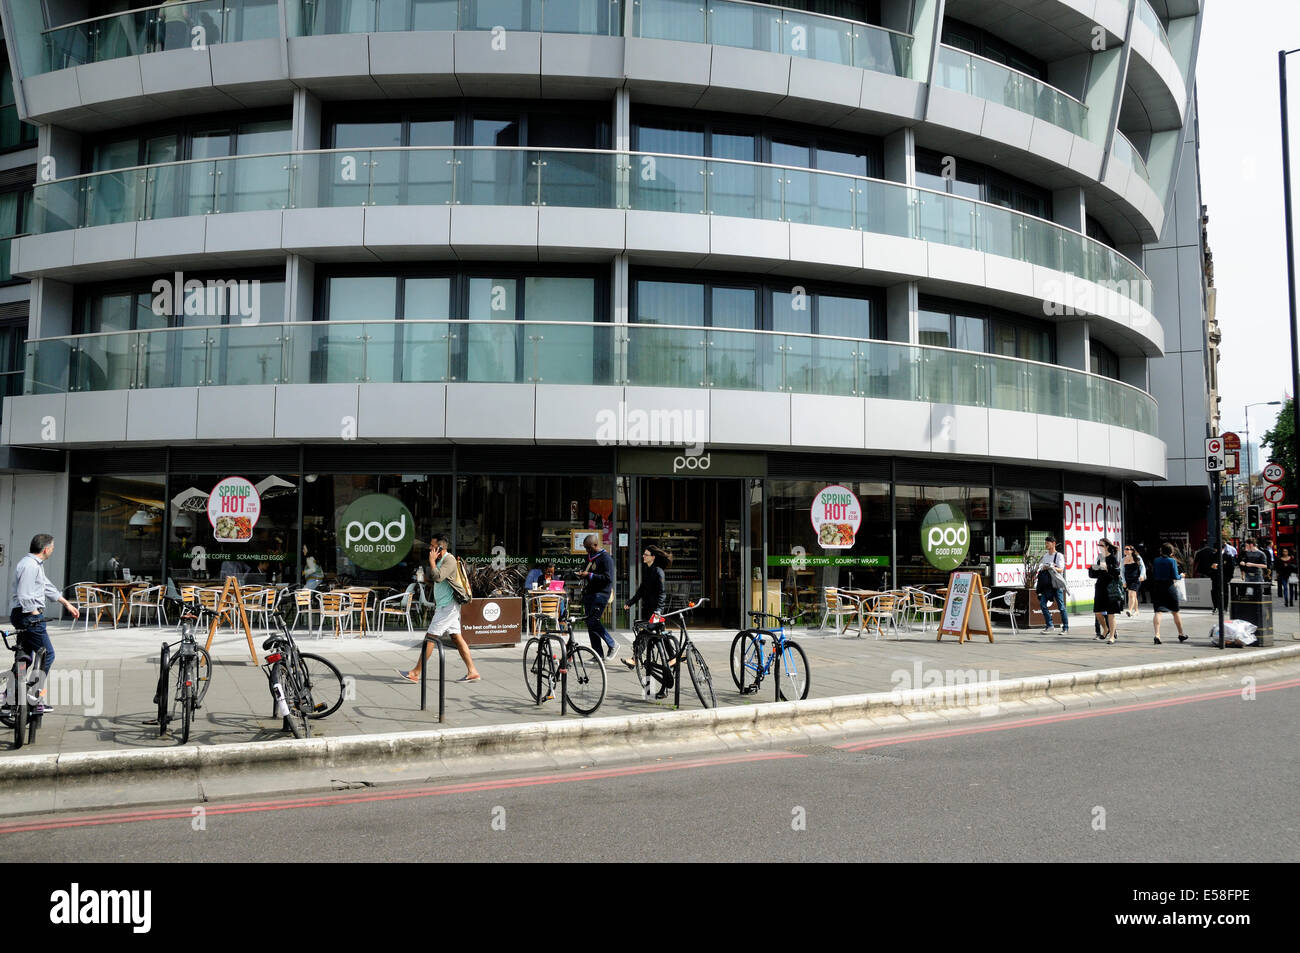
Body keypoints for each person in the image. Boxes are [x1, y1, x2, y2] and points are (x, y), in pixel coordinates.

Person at [9, 534, 81, 712]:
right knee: (47, 654)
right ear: (46, 549)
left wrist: (66, 603)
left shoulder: (34, 565)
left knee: (25, 656)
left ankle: (10, 694)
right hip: (29, 616)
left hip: (26, 615)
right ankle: (33, 695)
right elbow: (25, 594)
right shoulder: (29, 565)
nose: (53, 550)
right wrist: (35, 614)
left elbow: (47, 587)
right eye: (53, 548)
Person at [398, 533, 479, 683]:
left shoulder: (449, 560)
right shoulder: (441, 560)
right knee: (456, 636)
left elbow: (439, 577)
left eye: (432, 546)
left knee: (430, 637)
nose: (430, 548)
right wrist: (425, 580)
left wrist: (431, 561)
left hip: (448, 607)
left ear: (440, 548)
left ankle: (416, 672)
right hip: (445, 605)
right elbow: (438, 582)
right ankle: (472, 671)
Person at [621, 546, 670, 673]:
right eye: (644, 554)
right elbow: (642, 590)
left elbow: (662, 593)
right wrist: (631, 602)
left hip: (657, 610)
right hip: (649, 609)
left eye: (646, 554)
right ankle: (675, 657)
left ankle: (634, 659)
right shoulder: (648, 570)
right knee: (659, 635)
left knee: (645, 633)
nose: (643, 556)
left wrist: (658, 610)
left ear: (652, 557)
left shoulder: (659, 572)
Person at [575, 536, 616, 659]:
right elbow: (588, 573)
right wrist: (583, 575)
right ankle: (597, 654)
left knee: (593, 620)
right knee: (590, 623)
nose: (587, 551)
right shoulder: (588, 557)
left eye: (588, 548)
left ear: (594, 545)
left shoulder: (606, 558)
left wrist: (590, 575)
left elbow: (608, 578)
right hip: (590, 593)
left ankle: (612, 644)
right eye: (585, 548)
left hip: (601, 594)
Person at [1148, 542, 1187, 644]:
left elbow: (1154, 574)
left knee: (1158, 611)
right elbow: (1175, 576)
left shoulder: (1156, 560)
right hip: (1169, 587)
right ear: (1171, 552)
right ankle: (1181, 634)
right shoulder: (1172, 561)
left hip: (1157, 587)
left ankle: (1157, 635)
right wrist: (1181, 575)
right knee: (1175, 611)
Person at [1089, 538, 1122, 643]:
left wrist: (1107, 567)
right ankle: (1106, 629)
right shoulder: (1100, 557)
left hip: (1110, 587)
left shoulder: (1112, 558)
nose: (1099, 546)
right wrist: (1093, 568)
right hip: (1100, 586)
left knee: (1111, 613)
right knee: (1097, 612)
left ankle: (1112, 636)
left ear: (1107, 546)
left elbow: (1117, 572)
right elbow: (1096, 574)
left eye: (1101, 545)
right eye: (1098, 545)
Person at [1034, 536, 1069, 634]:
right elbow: (1042, 567)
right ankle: (1050, 625)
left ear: (1053, 543)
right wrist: (1043, 567)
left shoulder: (1059, 556)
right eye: (1045, 543)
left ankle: (1065, 627)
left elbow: (1061, 569)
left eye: (1047, 543)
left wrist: (1051, 567)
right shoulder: (1045, 556)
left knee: (1061, 607)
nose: (1046, 545)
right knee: (1042, 604)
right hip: (1047, 584)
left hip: (1056, 584)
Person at [1194, 541, 1223, 615]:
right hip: (1211, 573)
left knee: (1213, 590)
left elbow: (1195, 563)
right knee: (1220, 591)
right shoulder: (1212, 552)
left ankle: (1215, 606)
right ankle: (1221, 607)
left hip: (1203, 573)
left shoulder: (1199, 552)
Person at [1122, 544, 1145, 617]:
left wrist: (1142, 575)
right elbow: (1121, 571)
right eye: (1125, 549)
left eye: (1127, 549)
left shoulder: (1137, 558)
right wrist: (1124, 581)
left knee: (1131, 594)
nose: (1126, 550)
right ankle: (1136, 611)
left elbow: (1143, 567)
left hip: (1136, 579)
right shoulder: (1123, 560)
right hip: (1128, 579)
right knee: (1133, 595)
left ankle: (1130, 610)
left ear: (1132, 551)